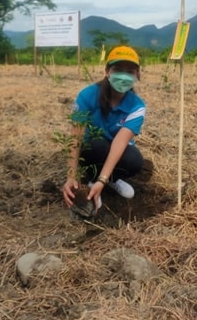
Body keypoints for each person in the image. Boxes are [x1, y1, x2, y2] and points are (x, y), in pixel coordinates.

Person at [62, 45, 145, 213]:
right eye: (118, 70)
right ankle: (93, 177)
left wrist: (103, 180)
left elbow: (120, 143)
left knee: (134, 160)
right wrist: (71, 176)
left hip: (115, 149)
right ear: (107, 71)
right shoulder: (87, 95)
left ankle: (108, 180)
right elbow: (75, 138)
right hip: (93, 149)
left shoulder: (137, 106)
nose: (124, 76)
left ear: (137, 75)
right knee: (96, 144)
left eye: (130, 71)